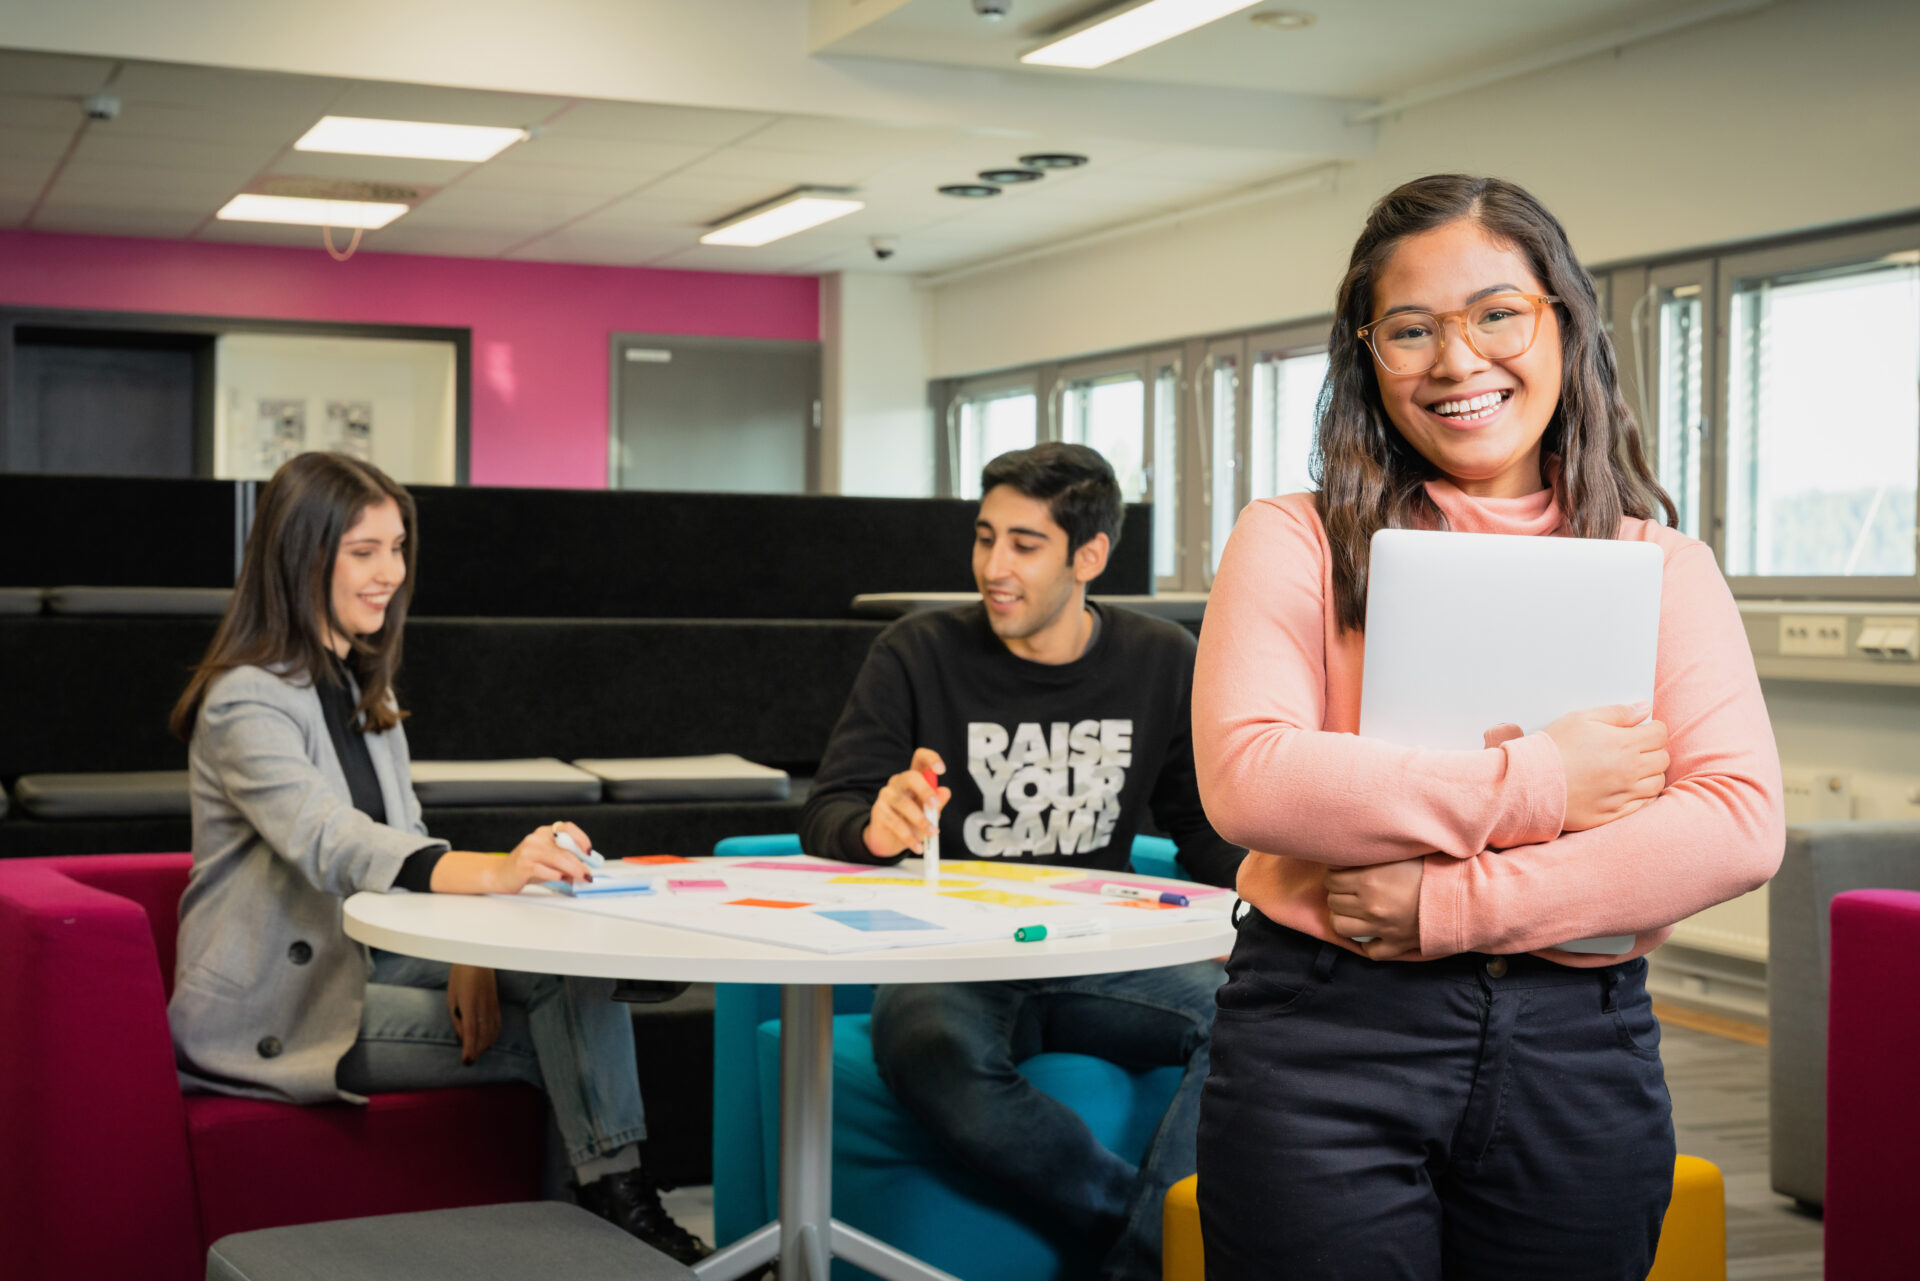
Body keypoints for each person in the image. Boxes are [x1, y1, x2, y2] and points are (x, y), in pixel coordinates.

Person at [1191, 174, 1785, 1281]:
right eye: (1411, 330)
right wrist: (1546, 782)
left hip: (1578, 1044)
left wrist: (1448, 903)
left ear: (1564, 318)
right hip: (1326, 1037)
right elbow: (1254, 778)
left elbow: (1736, 825)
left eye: (1496, 314)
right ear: (1368, 355)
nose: (1458, 361)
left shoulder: (1660, 565)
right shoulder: (1296, 540)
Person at [165, 451, 709, 1264]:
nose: (390, 572)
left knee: (574, 975)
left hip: (372, 961)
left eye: (398, 547)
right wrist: (491, 872)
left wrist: (469, 950)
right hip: (283, 1007)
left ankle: (616, 1215)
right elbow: (334, 841)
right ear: (300, 553)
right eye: (364, 551)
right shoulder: (245, 697)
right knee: (558, 1037)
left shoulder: (361, 687)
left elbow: (405, 828)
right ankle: (614, 1225)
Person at [800, 441, 1245, 1281]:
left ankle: (1143, 1259)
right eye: (983, 537)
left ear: (1091, 557)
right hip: (956, 951)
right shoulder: (916, 651)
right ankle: (1146, 1239)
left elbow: (1206, 828)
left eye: (1023, 544)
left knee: (1252, 1014)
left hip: (1098, 951)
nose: (992, 567)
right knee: (925, 1040)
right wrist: (878, 826)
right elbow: (830, 810)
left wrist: (1256, 913)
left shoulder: (1160, 659)